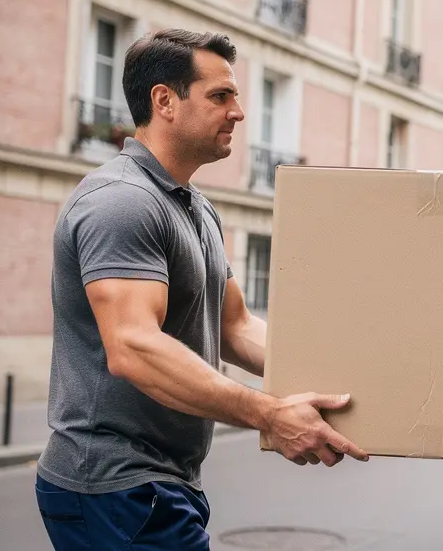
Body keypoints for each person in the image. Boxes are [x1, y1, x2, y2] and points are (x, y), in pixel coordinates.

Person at [34, 28, 368, 550]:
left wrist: (349, 380)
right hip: (112, 484)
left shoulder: (192, 205)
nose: (237, 112)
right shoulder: (121, 202)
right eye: (220, 96)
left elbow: (234, 325)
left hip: (158, 485)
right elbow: (133, 348)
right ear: (164, 101)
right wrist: (269, 414)